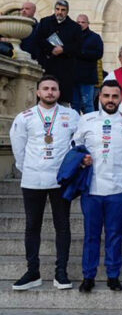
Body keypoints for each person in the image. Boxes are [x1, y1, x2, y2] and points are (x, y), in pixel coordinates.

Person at [9, 75, 79, 291]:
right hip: (32, 179)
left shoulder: (71, 115)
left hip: (60, 180)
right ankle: (33, 272)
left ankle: (61, 272)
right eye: (46, 88)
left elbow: (77, 143)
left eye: (54, 89)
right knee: (32, 226)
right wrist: (28, 167)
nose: (50, 92)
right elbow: (18, 148)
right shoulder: (25, 117)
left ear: (59, 92)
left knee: (63, 226)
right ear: (38, 92)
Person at [75, 79, 122, 292]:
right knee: (91, 235)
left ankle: (113, 275)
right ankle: (88, 276)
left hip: (118, 189)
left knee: (114, 235)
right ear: (99, 97)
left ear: (120, 98)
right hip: (91, 189)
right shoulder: (87, 121)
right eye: (106, 96)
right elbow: (75, 146)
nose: (110, 100)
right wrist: (82, 158)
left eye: (114, 96)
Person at [36, 0, 82, 104]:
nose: (59, 12)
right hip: (47, 65)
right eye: (57, 9)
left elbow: (78, 46)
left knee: (62, 99)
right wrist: (51, 49)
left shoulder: (75, 27)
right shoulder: (45, 22)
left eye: (63, 10)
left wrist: (63, 49)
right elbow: (38, 39)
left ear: (67, 11)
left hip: (65, 68)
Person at [73, 14, 103, 114]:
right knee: (74, 104)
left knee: (87, 104)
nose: (80, 24)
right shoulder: (72, 37)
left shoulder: (95, 37)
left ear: (88, 23)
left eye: (83, 22)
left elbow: (99, 53)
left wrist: (82, 53)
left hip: (87, 77)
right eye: (78, 22)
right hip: (73, 76)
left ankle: (90, 126)